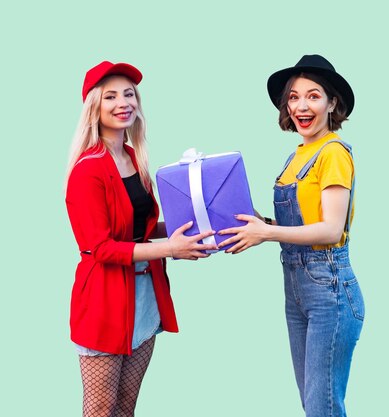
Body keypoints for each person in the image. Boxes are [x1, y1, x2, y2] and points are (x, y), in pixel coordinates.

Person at [65, 61, 217, 417]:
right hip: (104, 302)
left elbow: (141, 230)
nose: (124, 103)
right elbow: (99, 247)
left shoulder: (133, 158)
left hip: (144, 301)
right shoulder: (87, 170)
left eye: (129, 94)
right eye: (112, 96)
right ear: (94, 107)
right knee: (101, 410)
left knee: (126, 409)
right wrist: (170, 248)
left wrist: (195, 226)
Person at [218, 54, 365, 417]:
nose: (302, 105)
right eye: (294, 97)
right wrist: (257, 219)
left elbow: (331, 229)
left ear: (333, 103)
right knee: (312, 405)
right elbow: (301, 221)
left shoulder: (332, 153)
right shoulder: (297, 155)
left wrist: (266, 232)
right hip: (297, 290)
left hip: (329, 290)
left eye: (314, 96)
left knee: (323, 406)